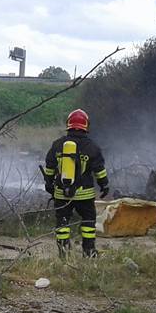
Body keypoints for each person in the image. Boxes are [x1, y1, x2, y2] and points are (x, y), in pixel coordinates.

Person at [41, 109, 109, 258]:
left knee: (62, 221)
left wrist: (49, 183)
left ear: (69, 125)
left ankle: (63, 252)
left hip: (61, 193)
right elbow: (99, 170)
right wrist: (104, 185)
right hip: (84, 194)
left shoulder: (57, 145)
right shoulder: (92, 147)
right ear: (86, 126)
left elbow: (50, 166)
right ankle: (88, 251)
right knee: (88, 220)